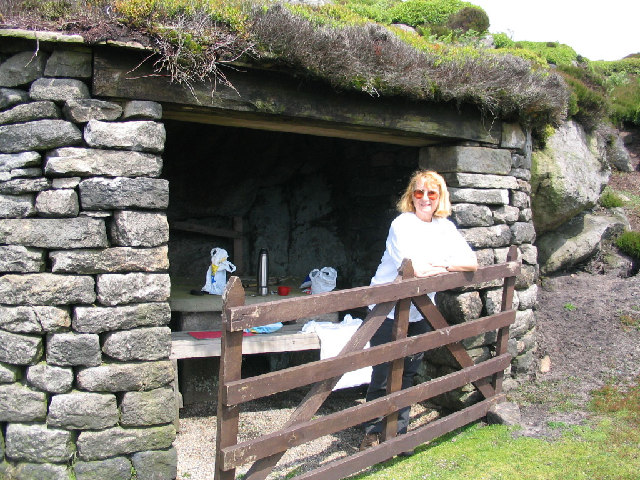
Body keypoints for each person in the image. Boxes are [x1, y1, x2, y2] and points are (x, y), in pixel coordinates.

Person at [360, 169, 478, 455]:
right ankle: (374, 433)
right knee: (384, 372)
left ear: (440, 198)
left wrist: (444, 267)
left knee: (409, 371)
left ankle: (398, 434)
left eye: (432, 193)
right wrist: (440, 265)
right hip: (386, 309)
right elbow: (414, 269)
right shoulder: (402, 224)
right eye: (419, 192)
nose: (425, 198)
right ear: (411, 197)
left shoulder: (444, 227)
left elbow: (470, 262)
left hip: (418, 311)